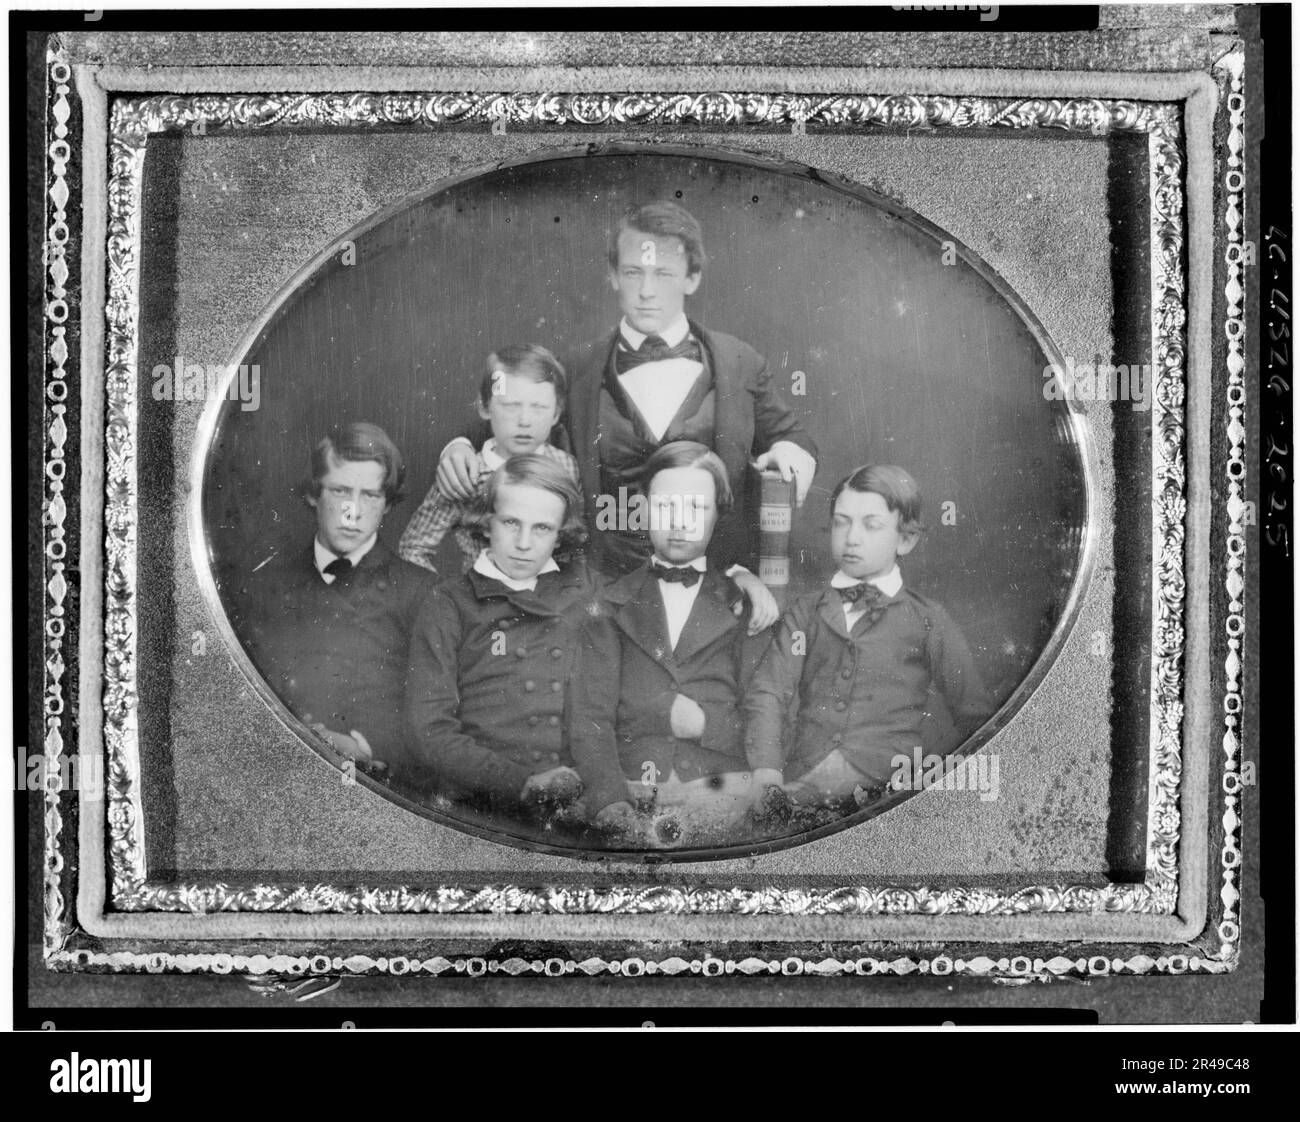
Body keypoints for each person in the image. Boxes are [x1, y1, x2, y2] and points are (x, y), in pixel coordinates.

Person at [434, 200, 818, 633]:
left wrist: (788, 450)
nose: (646, 291)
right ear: (614, 276)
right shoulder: (577, 367)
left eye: (663, 274)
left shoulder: (740, 362)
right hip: (600, 588)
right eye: (634, 272)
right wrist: (460, 444)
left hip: (711, 586)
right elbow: (515, 414)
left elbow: (793, 438)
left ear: (692, 278)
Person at [744, 464, 993, 806]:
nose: (852, 538)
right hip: (803, 787)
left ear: (906, 539)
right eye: (841, 522)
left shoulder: (928, 619)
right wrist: (767, 770)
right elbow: (768, 691)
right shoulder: (805, 612)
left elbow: (977, 717)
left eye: (871, 525)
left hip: (891, 794)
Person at [403, 453, 630, 821]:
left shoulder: (585, 590)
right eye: (511, 522)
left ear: (560, 535)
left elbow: (595, 718)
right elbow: (427, 731)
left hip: (571, 805)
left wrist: (609, 798)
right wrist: (520, 783)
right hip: (475, 806)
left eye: (542, 528)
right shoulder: (448, 602)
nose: (524, 543)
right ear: (486, 521)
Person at [570, 442, 772, 838]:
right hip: (631, 793)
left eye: (696, 508)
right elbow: (589, 718)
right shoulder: (609, 605)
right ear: (643, 509)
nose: (679, 521)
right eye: (665, 507)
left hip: (724, 794)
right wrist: (610, 801)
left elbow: (768, 716)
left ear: (719, 513)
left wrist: (702, 723)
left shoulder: (746, 605)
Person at [233, 422, 435, 771]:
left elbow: (436, 717)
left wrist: (364, 746)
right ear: (313, 494)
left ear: (387, 504)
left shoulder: (422, 592)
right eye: (341, 491)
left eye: (370, 495)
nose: (352, 512)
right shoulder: (264, 587)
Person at [399, 343, 578, 574]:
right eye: (511, 406)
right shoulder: (466, 473)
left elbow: (575, 541)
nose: (525, 420)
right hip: (481, 603)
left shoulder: (566, 466)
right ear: (485, 407)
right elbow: (413, 547)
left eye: (539, 407)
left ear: (556, 413)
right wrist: (447, 599)